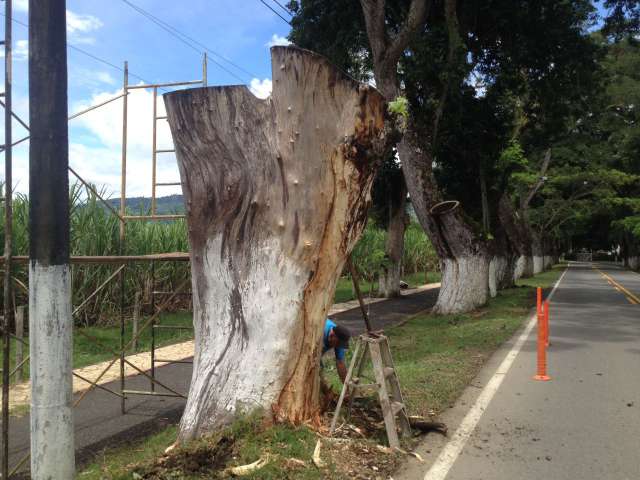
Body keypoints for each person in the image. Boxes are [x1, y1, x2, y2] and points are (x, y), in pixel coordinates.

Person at [322, 318, 351, 383]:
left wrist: (346, 389)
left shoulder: (338, 335)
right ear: (332, 335)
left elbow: (340, 363)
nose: (338, 345)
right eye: (338, 343)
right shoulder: (320, 334)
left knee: (319, 369)